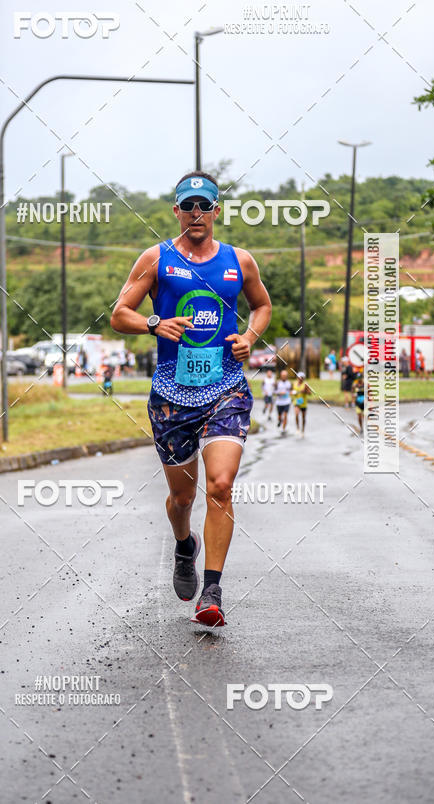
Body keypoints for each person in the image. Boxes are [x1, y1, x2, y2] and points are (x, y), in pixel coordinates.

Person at [110, 171, 271, 628]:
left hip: (226, 388)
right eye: (188, 206)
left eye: (205, 206)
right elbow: (119, 313)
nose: (196, 214)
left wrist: (250, 338)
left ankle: (213, 590)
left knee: (220, 484)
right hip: (171, 395)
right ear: (176, 210)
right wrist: (153, 323)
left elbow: (262, 305)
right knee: (181, 498)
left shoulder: (240, 261)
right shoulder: (155, 259)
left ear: (217, 211)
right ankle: (184, 545)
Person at [292, 371, 311, 437]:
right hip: (296, 402)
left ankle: (303, 430)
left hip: (303, 403)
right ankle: (297, 428)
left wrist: (305, 391)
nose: (300, 379)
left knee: (303, 417)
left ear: (303, 378)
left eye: (301, 378)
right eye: (299, 377)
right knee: (296, 414)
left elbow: (310, 393)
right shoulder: (294, 383)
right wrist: (293, 393)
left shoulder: (305, 384)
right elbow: (291, 391)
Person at [275, 369, 292, 434]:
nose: (284, 377)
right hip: (279, 402)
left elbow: (291, 390)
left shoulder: (289, 383)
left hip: (287, 401)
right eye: (283, 375)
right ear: (281, 376)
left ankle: (283, 428)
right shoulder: (278, 383)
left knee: (285, 415)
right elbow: (274, 391)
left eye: (285, 375)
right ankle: (279, 421)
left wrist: (291, 393)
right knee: (279, 416)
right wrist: (279, 393)